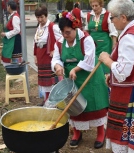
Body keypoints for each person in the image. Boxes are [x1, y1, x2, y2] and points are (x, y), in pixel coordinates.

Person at [98, 0, 134, 152]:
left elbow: (123, 72)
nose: (111, 21)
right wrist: (112, 75)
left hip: (132, 94)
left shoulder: (129, 38)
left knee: (128, 134)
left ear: (123, 17)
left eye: (112, 18)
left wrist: (107, 61)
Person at [51, 11, 109, 149]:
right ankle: (77, 133)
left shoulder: (86, 39)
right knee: (74, 105)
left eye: (68, 32)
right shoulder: (60, 42)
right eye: (63, 32)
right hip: (72, 79)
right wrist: (58, 65)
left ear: (75, 28)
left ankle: (101, 132)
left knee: (96, 104)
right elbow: (56, 58)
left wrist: (75, 69)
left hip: (90, 75)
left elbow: (89, 59)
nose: (66, 35)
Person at [34, 6, 62, 106]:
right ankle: (46, 100)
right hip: (41, 56)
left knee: (51, 82)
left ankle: (53, 102)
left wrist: (54, 49)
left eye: (42, 17)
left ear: (46, 16)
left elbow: (61, 40)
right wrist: (35, 56)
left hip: (48, 58)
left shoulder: (52, 27)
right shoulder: (39, 27)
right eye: (38, 17)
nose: (40, 20)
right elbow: (35, 42)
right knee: (44, 82)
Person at [85, 0, 118, 74]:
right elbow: (87, 30)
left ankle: (106, 79)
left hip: (105, 44)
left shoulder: (107, 15)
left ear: (101, 5)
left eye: (96, 6)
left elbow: (113, 31)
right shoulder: (89, 15)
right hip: (92, 44)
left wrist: (114, 44)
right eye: (92, 6)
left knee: (105, 63)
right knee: (94, 62)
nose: (94, 8)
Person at [1, 1, 22, 66]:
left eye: (7, 6)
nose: (6, 7)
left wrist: (6, 34)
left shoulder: (15, 17)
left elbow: (17, 30)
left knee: (15, 59)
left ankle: (15, 71)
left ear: (9, 6)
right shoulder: (12, 16)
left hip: (14, 40)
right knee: (12, 57)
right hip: (11, 40)